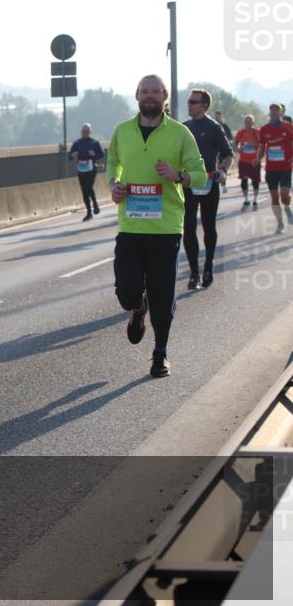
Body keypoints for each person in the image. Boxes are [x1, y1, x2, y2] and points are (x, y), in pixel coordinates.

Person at [107, 75, 206, 378]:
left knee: (163, 298)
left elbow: (200, 175)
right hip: (130, 226)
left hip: (166, 229)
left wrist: (177, 175)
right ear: (137, 95)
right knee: (126, 292)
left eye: (155, 91)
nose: (149, 96)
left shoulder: (180, 133)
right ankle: (138, 309)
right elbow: (113, 163)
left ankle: (160, 354)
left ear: (164, 96)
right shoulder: (122, 132)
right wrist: (114, 185)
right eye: (144, 91)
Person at [182, 89, 233, 289]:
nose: (190, 105)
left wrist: (222, 170)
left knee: (208, 226)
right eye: (189, 101)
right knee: (188, 227)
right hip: (188, 183)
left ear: (204, 106)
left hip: (209, 183)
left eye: (193, 102)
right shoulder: (184, 128)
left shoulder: (213, 127)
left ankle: (208, 267)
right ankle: (194, 272)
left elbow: (228, 154)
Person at [258, 103, 293, 233]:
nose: (272, 114)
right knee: (274, 197)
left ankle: (287, 207)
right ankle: (280, 223)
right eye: (271, 112)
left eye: (275, 112)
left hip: (285, 167)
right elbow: (262, 147)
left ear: (280, 113)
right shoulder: (264, 129)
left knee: (284, 195)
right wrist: (257, 158)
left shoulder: (289, 127)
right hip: (271, 168)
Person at [69, 123, 105, 221]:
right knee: (84, 191)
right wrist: (73, 155)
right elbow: (69, 156)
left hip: (91, 168)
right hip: (81, 168)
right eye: (83, 131)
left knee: (88, 187)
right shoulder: (77, 143)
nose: (84, 133)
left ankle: (95, 203)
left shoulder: (94, 143)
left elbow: (101, 154)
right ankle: (89, 212)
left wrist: (94, 154)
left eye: (86, 131)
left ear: (90, 132)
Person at [233, 114, 262, 209]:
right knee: (244, 180)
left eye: (249, 121)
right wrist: (238, 149)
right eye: (246, 121)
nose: (247, 123)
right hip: (243, 161)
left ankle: (255, 199)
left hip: (254, 161)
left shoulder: (257, 132)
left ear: (253, 122)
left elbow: (262, 145)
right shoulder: (241, 133)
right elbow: (235, 143)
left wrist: (256, 148)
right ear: (244, 122)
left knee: (255, 181)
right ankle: (246, 199)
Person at [214, 110, 234, 193]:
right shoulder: (213, 125)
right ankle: (218, 184)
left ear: (221, 117)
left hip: (223, 151)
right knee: (216, 167)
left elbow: (230, 138)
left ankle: (224, 184)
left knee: (223, 167)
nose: (217, 118)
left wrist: (226, 145)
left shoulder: (225, 127)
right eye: (216, 117)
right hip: (216, 152)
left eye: (219, 117)